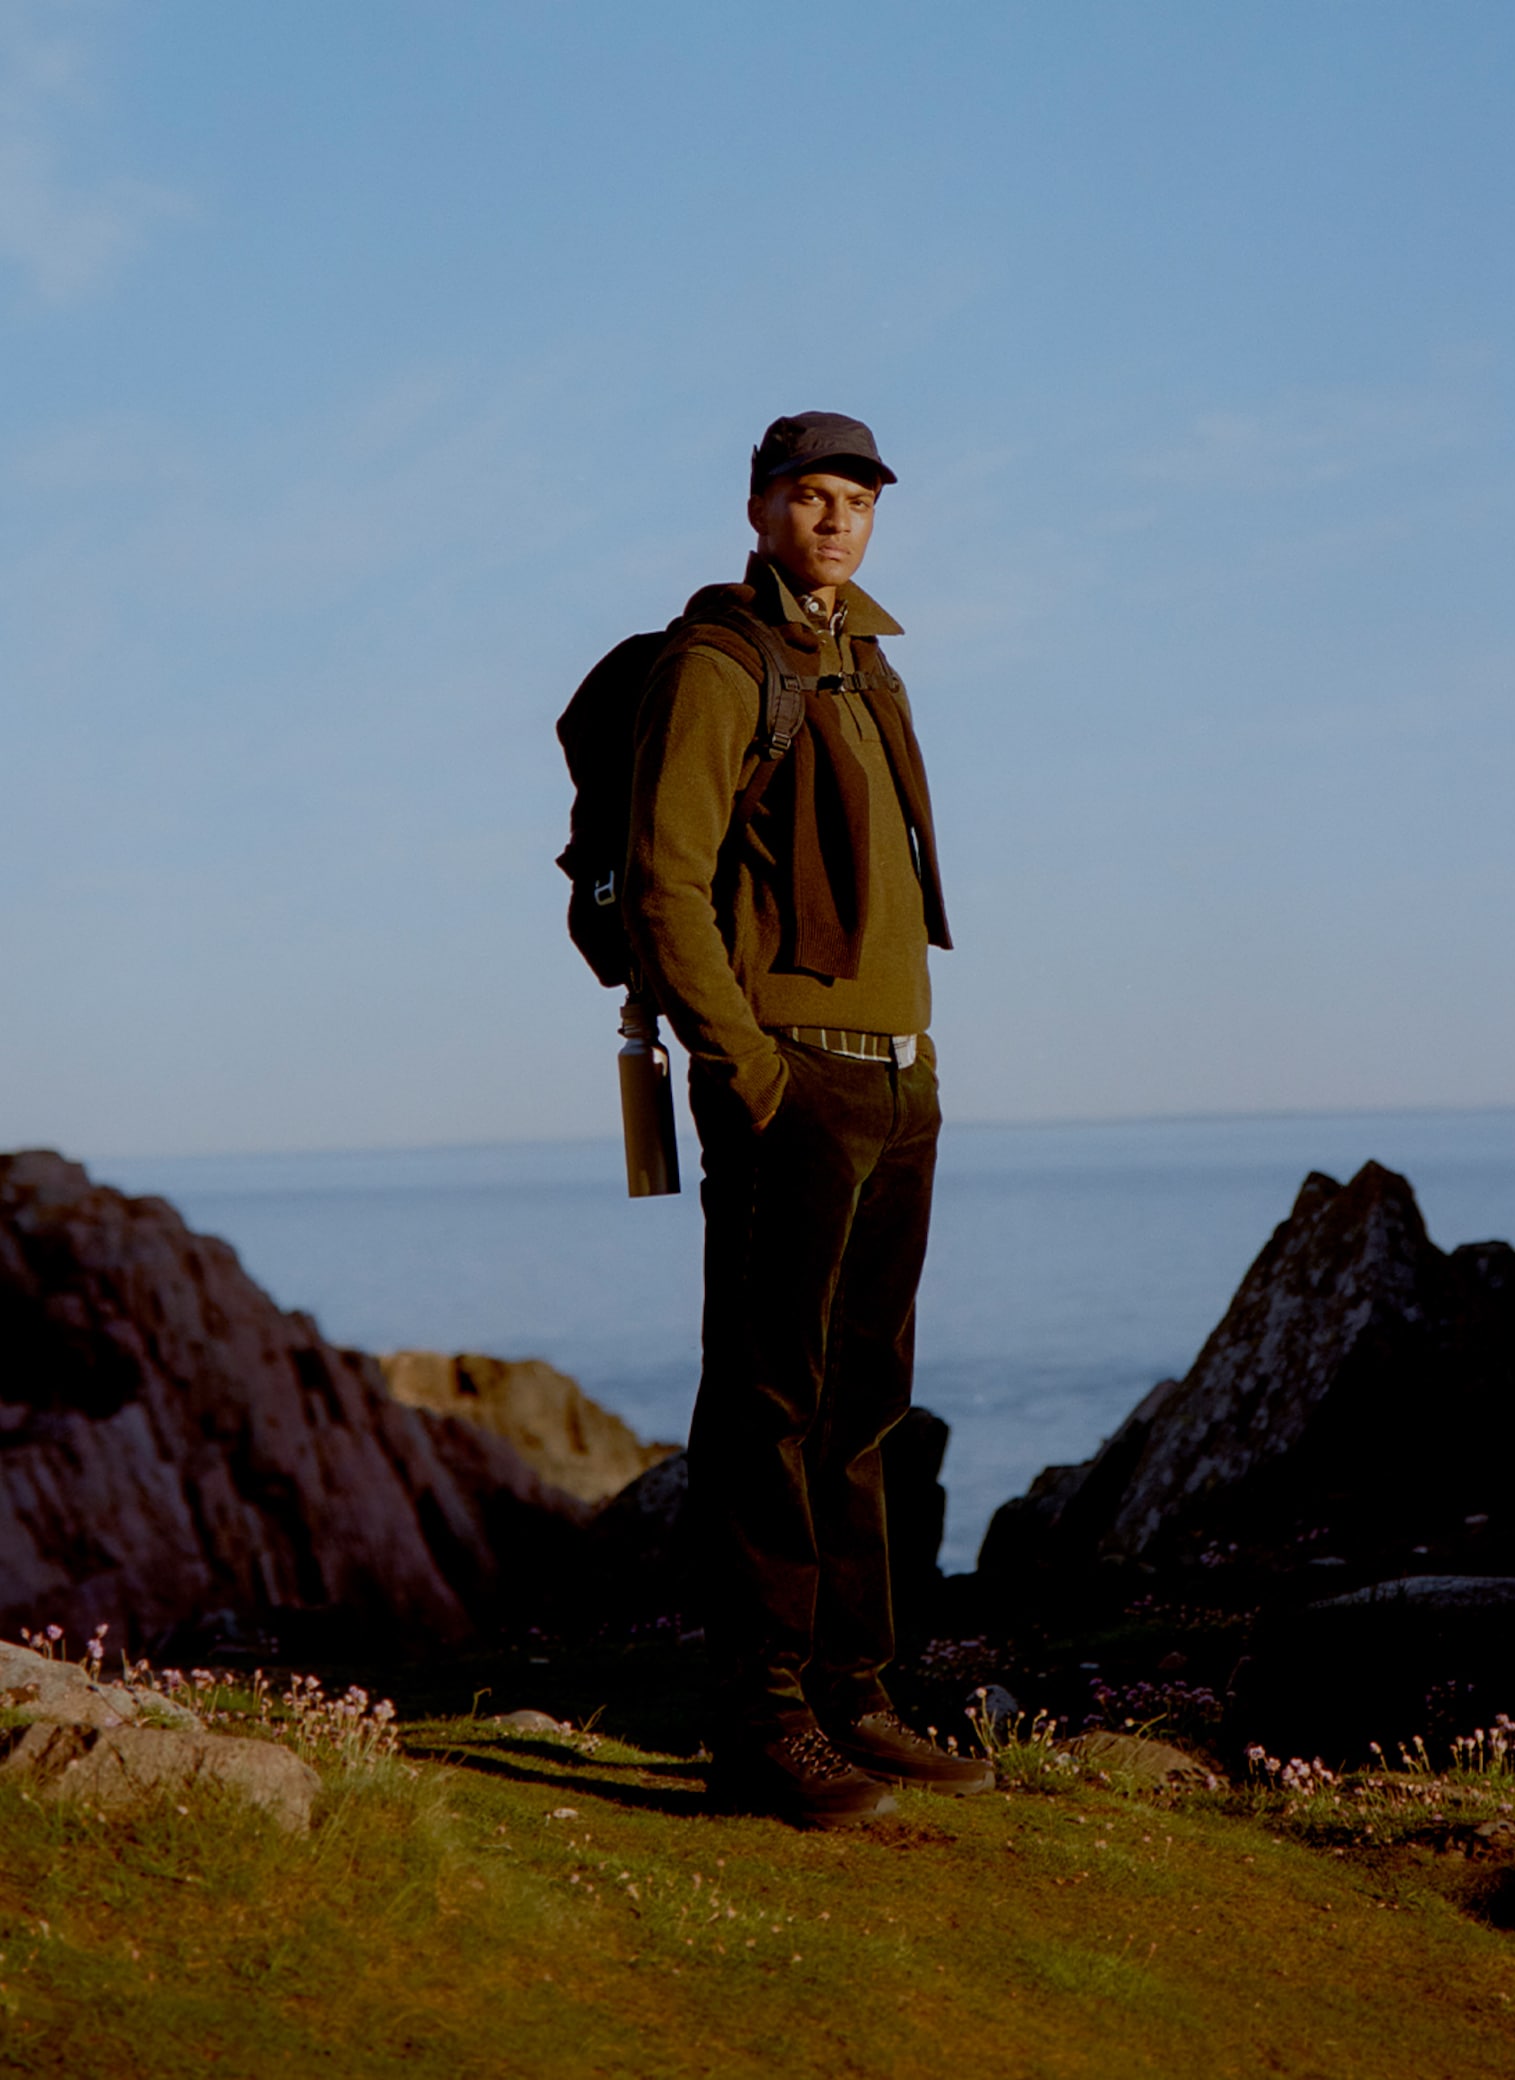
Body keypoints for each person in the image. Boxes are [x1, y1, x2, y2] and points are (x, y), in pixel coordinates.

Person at [624, 411, 993, 1825]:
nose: (835, 519)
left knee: (863, 1411)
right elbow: (668, 886)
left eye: (856, 498)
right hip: (797, 1078)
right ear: (760, 508)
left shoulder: (865, 660)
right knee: (767, 1407)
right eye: (809, 496)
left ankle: (855, 1693)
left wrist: (917, 1069)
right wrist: (750, 1073)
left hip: (901, 1079)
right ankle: (762, 1722)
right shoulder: (722, 664)